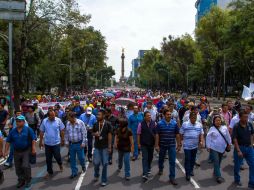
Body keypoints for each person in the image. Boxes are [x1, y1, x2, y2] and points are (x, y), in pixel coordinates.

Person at [4, 115, 36, 188]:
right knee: (18, 167)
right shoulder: (13, 131)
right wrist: (6, 151)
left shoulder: (28, 129)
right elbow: (8, 141)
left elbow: (33, 139)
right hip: (16, 151)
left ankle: (28, 180)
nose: (18, 123)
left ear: (24, 122)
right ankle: (21, 180)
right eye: (17, 121)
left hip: (26, 150)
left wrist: (33, 148)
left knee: (25, 165)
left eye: (19, 121)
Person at [155, 109, 181, 186]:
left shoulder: (174, 123)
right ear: (164, 115)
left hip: (171, 145)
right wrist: (156, 145)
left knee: (172, 162)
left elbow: (177, 134)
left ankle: (172, 177)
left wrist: (179, 144)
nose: (169, 115)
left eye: (170, 114)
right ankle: (160, 168)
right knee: (161, 159)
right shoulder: (159, 124)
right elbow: (157, 135)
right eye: (167, 114)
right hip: (162, 145)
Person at [39, 110, 65, 179]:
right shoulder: (44, 121)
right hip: (47, 143)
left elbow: (62, 130)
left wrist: (63, 139)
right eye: (52, 115)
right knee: (48, 159)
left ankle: (60, 164)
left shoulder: (58, 120)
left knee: (57, 156)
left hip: (56, 143)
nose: (53, 116)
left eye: (54, 115)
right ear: (48, 116)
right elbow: (41, 131)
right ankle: (49, 172)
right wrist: (40, 141)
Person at [206, 115, 231, 183]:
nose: (218, 122)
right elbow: (208, 138)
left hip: (222, 148)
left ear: (221, 121)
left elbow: (228, 136)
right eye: (216, 120)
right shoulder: (212, 129)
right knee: (216, 161)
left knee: (219, 161)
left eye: (219, 120)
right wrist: (208, 146)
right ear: (214, 122)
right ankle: (218, 176)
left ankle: (215, 171)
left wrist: (229, 144)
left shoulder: (224, 128)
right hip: (214, 148)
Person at [232, 110, 254, 188]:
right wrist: (238, 150)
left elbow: (252, 134)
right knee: (237, 166)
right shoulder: (236, 126)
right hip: (240, 148)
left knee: (253, 165)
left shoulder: (250, 125)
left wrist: (251, 144)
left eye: (247, 117)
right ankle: (237, 179)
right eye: (244, 117)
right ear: (240, 117)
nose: (246, 118)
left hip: (249, 148)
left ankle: (252, 183)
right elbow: (234, 139)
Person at [180, 112, 204, 181]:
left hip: (195, 146)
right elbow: (181, 133)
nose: (194, 119)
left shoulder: (199, 124)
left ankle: (191, 170)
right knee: (188, 159)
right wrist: (180, 142)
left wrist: (201, 141)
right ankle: (187, 173)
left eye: (195, 118)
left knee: (193, 159)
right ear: (189, 118)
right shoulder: (185, 124)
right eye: (192, 118)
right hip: (187, 146)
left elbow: (201, 133)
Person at [92, 109, 112, 186]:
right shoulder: (95, 124)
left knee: (105, 164)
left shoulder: (108, 124)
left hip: (105, 147)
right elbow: (92, 133)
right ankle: (96, 174)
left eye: (99, 115)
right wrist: (95, 134)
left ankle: (104, 180)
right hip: (97, 146)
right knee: (96, 163)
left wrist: (110, 147)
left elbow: (110, 135)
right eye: (97, 115)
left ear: (103, 116)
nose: (97, 116)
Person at [65, 112, 87, 179]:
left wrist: (83, 142)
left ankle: (83, 165)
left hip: (79, 144)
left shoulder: (80, 123)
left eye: (69, 118)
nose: (68, 120)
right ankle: (74, 172)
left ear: (73, 117)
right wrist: (66, 142)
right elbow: (66, 133)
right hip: (71, 144)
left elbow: (84, 133)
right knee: (72, 159)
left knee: (81, 158)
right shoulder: (68, 123)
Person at [137, 111, 157, 181]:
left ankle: (148, 168)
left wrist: (156, 144)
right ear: (144, 117)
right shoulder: (141, 124)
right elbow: (138, 134)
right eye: (148, 116)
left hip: (151, 144)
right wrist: (138, 144)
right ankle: (145, 173)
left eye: (150, 115)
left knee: (150, 157)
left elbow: (156, 134)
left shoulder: (154, 123)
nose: (149, 117)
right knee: (144, 158)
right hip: (144, 144)